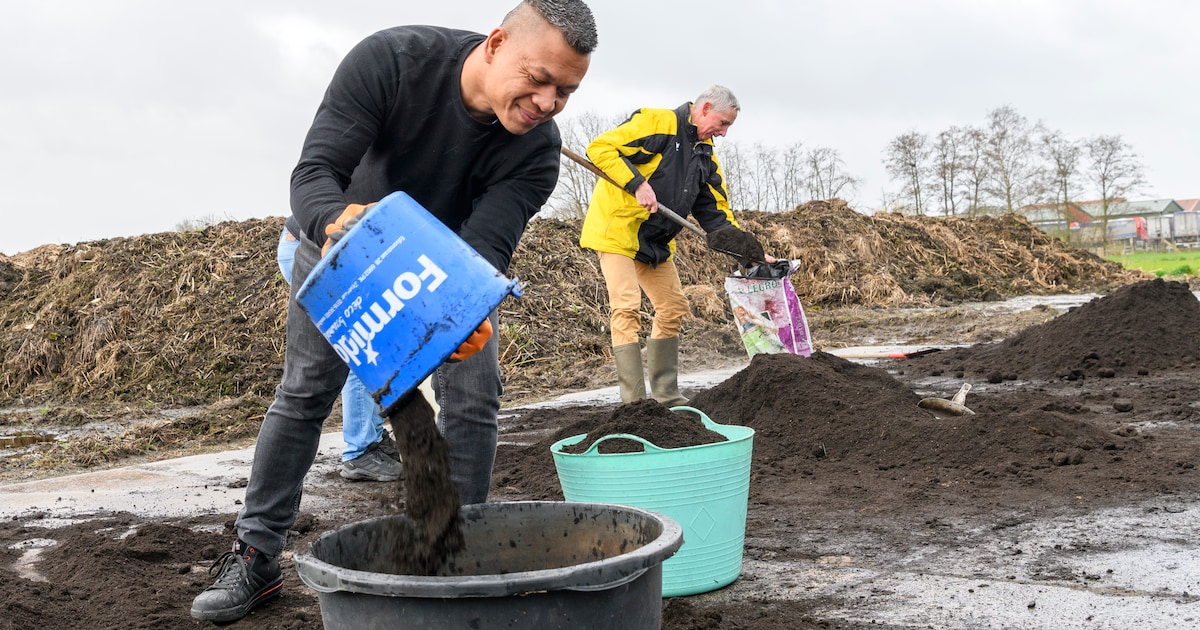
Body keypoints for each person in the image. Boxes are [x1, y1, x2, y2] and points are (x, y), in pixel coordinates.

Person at [190, 1, 596, 622]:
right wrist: (335, 222)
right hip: (342, 245)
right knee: (304, 391)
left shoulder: (536, 153)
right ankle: (255, 555)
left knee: (474, 393)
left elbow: (484, 248)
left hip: (443, 267)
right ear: (495, 44)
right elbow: (314, 171)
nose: (547, 102)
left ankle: (456, 556)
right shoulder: (393, 61)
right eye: (539, 79)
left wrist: (466, 309)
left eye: (565, 91)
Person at [579, 85, 768, 406]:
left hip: (655, 241)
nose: (723, 133)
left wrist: (751, 254)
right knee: (626, 307)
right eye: (723, 123)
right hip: (618, 230)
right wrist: (637, 184)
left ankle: (666, 395)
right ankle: (635, 403)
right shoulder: (659, 123)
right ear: (705, 109)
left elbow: (717, 214)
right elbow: (600, 149)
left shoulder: (705, 156)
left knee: (673, 307)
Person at [275, 227, 402, 482]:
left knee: (374, 342)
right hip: (316, 250)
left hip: (340, 248)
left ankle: (373, 439)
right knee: (361, 347)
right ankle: (360, 451)